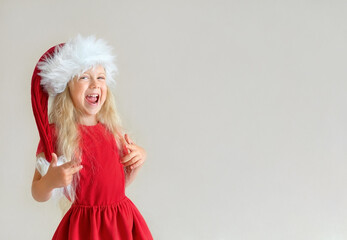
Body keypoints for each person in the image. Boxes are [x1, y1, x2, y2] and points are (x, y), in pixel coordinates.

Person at [30, 35, 153, 239]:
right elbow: (37, 192)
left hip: (121, 222)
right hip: (85, 229)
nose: (95, 84)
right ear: (67, 85)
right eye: (84, 77)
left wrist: (139, 159)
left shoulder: (113, 131)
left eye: (101, 77)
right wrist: (50, 182)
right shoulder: (56, 134)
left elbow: (114, 187)